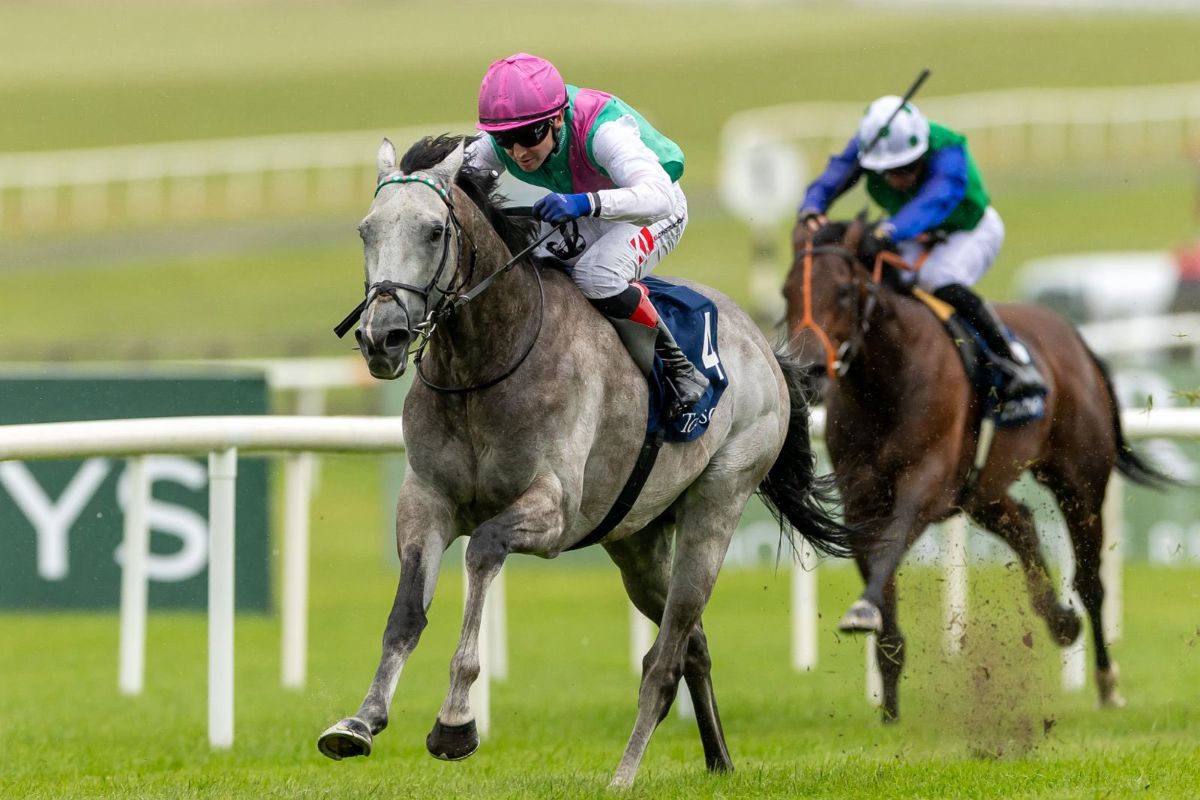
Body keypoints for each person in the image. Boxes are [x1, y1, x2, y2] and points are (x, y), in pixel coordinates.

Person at [464, 52, 708, 415]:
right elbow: (454, 182)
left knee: (597, 275)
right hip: (592, 206)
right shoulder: (511, 138)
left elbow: (658, 198)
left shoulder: (604, 132)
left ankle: (678, 367)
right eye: (504, 140)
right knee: (523, 264)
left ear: (557, 119)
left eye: (528, 136)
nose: (517, 152)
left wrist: (584, 203)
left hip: (654, 208)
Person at [797, 95, 1042, 400]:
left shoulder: (948, 150)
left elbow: (934, 200)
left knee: (936, 278)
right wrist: (812, 206)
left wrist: (890, 229)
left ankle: (1011, 361)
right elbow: (834, 175)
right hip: (912, 235)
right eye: (888, 171)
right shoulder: (869, 143)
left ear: (922, 152)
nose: (897, 180)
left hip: (969, 230)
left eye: (907, 168)